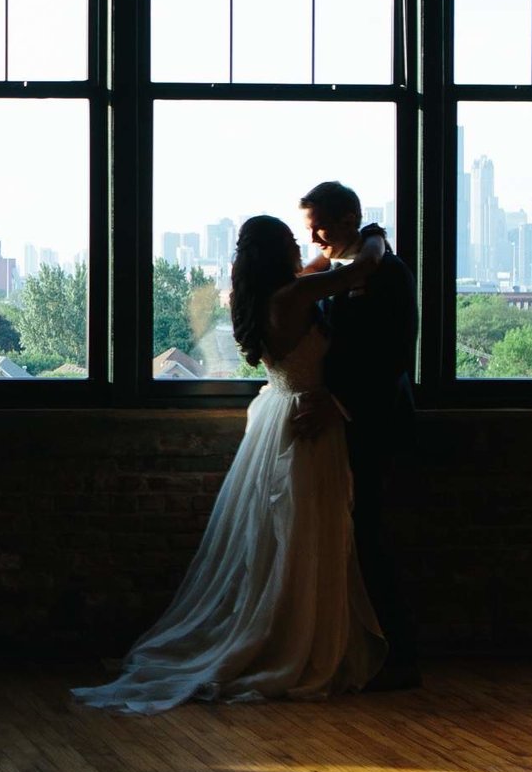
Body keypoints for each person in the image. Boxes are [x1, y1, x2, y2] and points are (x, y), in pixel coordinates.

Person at [75, 214, 388, 713]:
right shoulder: (292, 298)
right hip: (306, 423)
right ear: (274, 254)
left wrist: (333, 238)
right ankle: (296, 641)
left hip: (278, 413)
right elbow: (356, 272)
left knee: (281, 538)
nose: (299, 246)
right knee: (305, 536)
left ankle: (288, 626)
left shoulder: (269, 295)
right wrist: (373, 232)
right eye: (290, 241)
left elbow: (323, 263)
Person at [295, 179, 420, 690]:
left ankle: (397, 657)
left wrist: (340, 403)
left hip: (375, 423)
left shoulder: (388, 273)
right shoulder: (333, 272)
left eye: (320, 225)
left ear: (350, 218)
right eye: (309, 228)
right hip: (336, 427)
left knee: (371, 536)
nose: (315, 236)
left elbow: (392, 356)